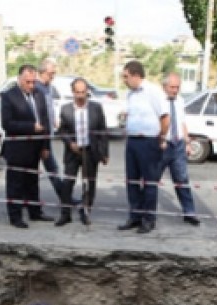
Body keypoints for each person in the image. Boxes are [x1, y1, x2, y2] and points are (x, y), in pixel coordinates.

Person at [118, 60, 169, 235]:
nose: (124, 80)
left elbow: (164, 118)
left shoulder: (153, 91)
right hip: (132, 141)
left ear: (136, 75)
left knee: (149, 183)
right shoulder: (130, 94)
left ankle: (148, 219)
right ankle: (135, 216)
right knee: (131, 181)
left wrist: (161, 138)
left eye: (126, 76)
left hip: (148, 142)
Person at [0, 64, 53, 228]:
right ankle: (15, 217)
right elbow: (7, 124)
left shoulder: (39, 95)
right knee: (15, 184)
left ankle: (35, 212)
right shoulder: (9, 96)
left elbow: (45, 121)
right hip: (17, 149)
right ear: (19, 79)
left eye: (33, 82)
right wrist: (31, 127)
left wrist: (45, 146)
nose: (31, 86)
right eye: (28, 82)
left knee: (32, 181)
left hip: (35, 148)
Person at [56, 77, 109, 226]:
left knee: (89, 183)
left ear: (87, 92)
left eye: (83, 92)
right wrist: (69, 143)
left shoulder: (96, 108)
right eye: (77, 92)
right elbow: (62, 131)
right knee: (68, 183)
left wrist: (104, 153)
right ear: (73, 92)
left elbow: (103, 131)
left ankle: (86, 211)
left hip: (90, 151)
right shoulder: (66, 109)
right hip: (73, 152)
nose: (80, 96)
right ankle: (65, 214)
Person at [158, 72, 199, 226]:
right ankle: (146, 213)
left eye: (177, 87)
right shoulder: (158, 101)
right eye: (172, 87)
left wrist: (187, 142)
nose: (175, 90)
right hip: (162, 145)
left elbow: (181, 122)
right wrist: (159, 139)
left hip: (178, 145)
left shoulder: (180, 101)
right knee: (152, 180)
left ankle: (189, 212)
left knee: (182, 179)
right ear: (164, 87)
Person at [35, 59, 66, 208]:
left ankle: (64, 197)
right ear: (42, 72)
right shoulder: (36, 88)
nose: (53, 76)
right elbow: (39, 114)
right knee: (51, 168)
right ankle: (64, 197)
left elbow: (49, 108)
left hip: (47, 134)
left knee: (52, 168)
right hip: (39, 137)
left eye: (54, 73)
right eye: (50, 73)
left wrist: (55, 120)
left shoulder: (48, 87)